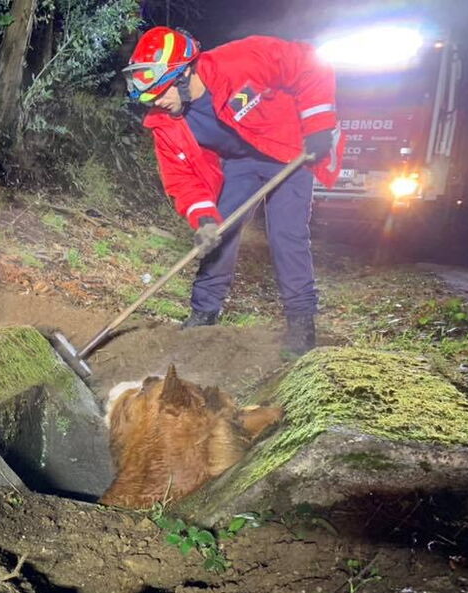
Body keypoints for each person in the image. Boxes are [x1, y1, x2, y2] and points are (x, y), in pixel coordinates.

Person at [123, 26, 344, 356]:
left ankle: (301, 323)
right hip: (239, 162)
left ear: (185, 74)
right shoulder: (165, 122)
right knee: (220, 231)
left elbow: (309, 64)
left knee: (286, 234)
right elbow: (181, 178)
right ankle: (204, 312)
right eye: (149, 96)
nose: (157, 102)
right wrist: (203, 219)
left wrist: (317, 124)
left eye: (161, 91)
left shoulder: (241, 60)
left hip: (288, 150)